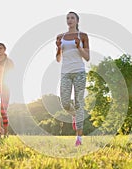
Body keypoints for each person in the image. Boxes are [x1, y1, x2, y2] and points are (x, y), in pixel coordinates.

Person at [55, 11, 90, 146]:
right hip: (65, 73)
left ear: (77, 21)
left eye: (72, 18)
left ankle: (79, 139)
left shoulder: (83, 36)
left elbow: (87, 57)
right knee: (64, 103)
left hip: (79, 72)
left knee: (79, 103)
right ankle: (75, 115)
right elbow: (58, 59)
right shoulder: (60, 37)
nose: (69, 20)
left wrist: (78, 47)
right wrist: (58, 48)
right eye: (68, 18)